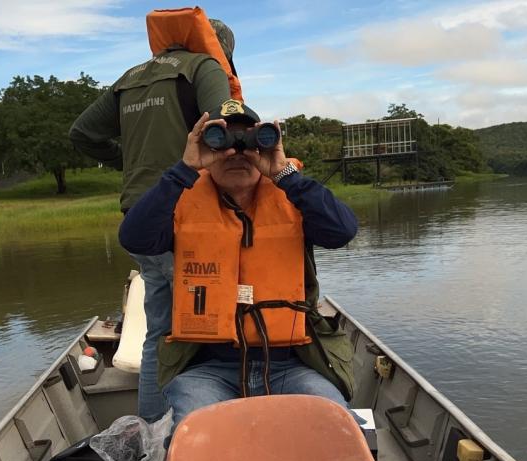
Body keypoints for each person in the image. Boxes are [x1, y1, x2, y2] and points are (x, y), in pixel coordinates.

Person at [119, 100, 359, 428]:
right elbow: (135, 238)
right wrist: (184, 170)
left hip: (290, 365)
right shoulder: (182, 203)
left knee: (336, 426)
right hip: (209, 370)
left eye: (248, 142)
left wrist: (283, 172)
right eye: (223, 141)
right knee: (194, 434)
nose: (236, 152)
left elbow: (342, 231)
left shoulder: (293, 197)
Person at [69, 12, 237, 423]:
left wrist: (127, 158)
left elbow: (82, 133)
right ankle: (197, 435)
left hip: (140, 216)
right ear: (218, 48)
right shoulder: (203, 67)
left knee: (158, 329)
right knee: (206, 330)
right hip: (189, 216)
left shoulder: (130, 77)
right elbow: (226, 126)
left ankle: (149, 428)